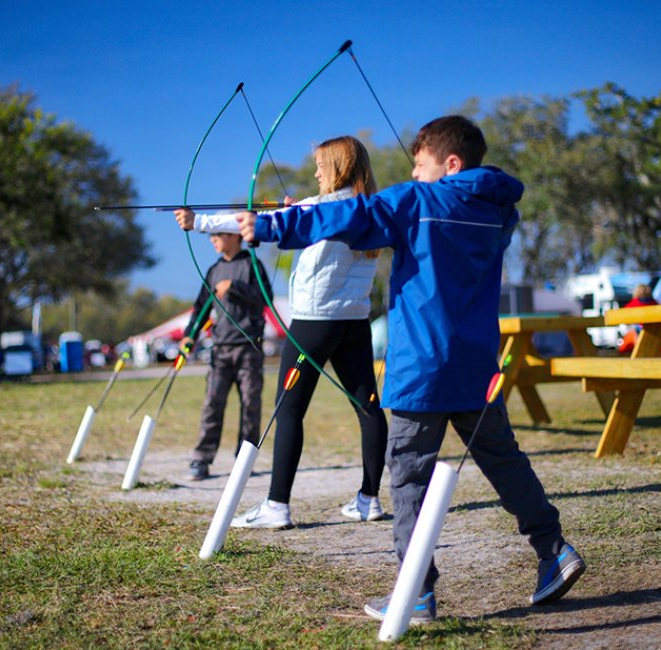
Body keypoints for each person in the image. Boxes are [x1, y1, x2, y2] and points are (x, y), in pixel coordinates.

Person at [236, 116, 585, 622]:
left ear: (451, 164)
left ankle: (416, 592)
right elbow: (363, 216)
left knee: (408, 478)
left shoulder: (417, 202)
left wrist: (271, 225)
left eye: (420, 166)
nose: (415, 175)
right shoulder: (497, 212)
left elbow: (353, 215)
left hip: (422, 369)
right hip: (476, 366)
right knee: (503, 460)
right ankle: (553, 549)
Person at [175, 135, 389, 528]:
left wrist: (199, 221)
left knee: (288, 410)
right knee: (368, 407)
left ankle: (277, 506)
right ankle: (369, 500)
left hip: (313, 324)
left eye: (321, 166)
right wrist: (300, 212)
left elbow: (262, 224)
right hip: (354, 321)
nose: (315, 172)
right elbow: (301, 222)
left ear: (338, 168)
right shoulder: (370, 209)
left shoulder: (319, 207)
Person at [183, 230, 272, 481]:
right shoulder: (213, 270)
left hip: (249, 349)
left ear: (234, 236)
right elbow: (201, 306)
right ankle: (201, 459)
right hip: (220, 350)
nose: (213, 239)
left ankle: (244, 461)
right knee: (212, 404)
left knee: (250, 405)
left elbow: (265, 297)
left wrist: (235, 287)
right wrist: (190, 334)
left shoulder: (252, 265)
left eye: (218, 234)